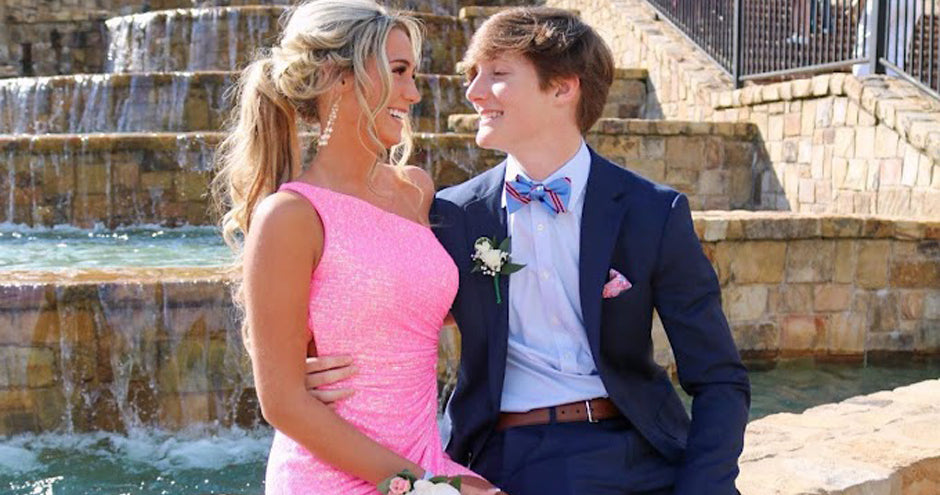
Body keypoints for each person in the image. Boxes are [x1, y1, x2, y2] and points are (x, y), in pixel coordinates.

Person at [307, 7, 751, 495]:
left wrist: (703, 486)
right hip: (501, 458)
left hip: (635, 452)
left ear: (563, 88)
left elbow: (719, 379)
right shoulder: (451, 215)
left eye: (497, 75)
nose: (473, 93)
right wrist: (304, 365)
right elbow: (377, 300)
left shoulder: (652, 212)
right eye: (473, 75)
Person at [212, 0, 503, 493]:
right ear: (339, 76)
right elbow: (281, 401)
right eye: (399, 71)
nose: (413, 93)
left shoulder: (416, 189)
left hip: (423, 457)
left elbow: (418, 309)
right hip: (336, 476)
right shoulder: (290, 217)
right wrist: (424, 487)